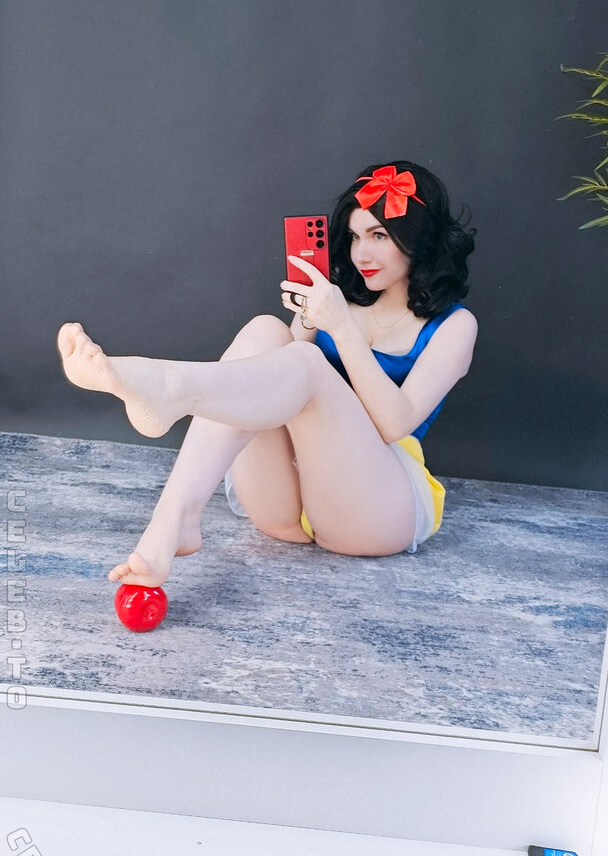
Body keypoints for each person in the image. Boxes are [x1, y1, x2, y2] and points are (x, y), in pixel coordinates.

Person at [56, 160, 478, 587]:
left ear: (420, 238)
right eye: (354, 237)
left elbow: (395, 423)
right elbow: (273, 387)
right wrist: (311, 317)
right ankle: (174, 518)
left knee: (308, 361)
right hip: (285, 506)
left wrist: (341, 328)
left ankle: (170, 389)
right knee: (266, 332)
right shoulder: (339, 300)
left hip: (375, 510)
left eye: (379, 236)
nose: (360, 254)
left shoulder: (455, 326)